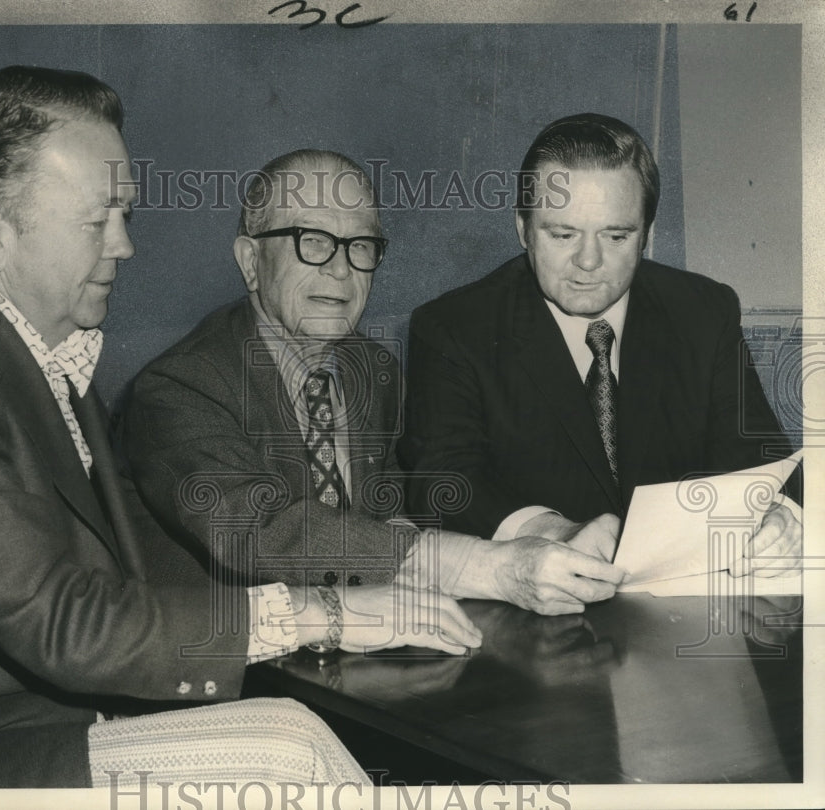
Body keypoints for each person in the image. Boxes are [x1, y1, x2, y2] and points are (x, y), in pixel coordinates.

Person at [0, 67, 481, 790]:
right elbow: (68, 626)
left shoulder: (35, 353)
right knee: (288, 750)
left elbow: (141, 567)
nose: (124, 245)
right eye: (97, 220)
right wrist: (324, 614)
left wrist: (356, 603)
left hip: (58, 725)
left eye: (126, 214)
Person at [122, 149, 618, 616]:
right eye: (312, 242)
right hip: (238, 677)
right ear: (251, 262)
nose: (340, 269)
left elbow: (409, 506)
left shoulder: (374, 370)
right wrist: (488, 568)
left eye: (360, 246)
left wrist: (548, 532)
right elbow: (265, 531)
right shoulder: (178, 388)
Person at [399, 113, 802, 615]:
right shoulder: (453, 326)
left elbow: (757, 458)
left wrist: (775, 516)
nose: (589, 262)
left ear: (647, 234)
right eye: (563, 235)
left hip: (684, 620)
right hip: (530, 627)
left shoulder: (704, 310)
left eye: (615, 236)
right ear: (522, 229)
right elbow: (442, 482)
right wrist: (554, 531)